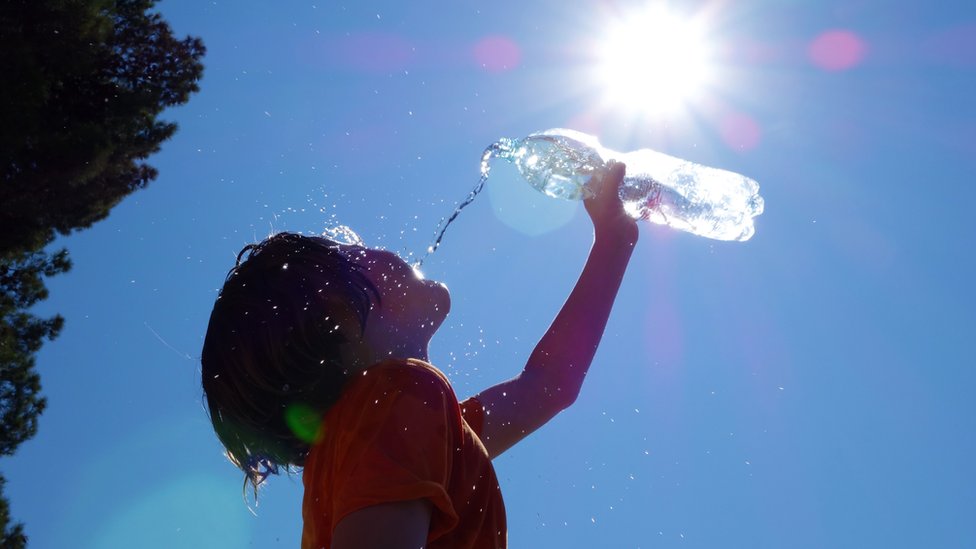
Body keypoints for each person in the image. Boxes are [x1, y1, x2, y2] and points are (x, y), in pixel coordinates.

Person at [201, 161, 637, 548]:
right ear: (339, 315)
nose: (376, 249)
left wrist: (614, 241)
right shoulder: (394, 401)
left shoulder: (396, 429)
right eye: (354, 254)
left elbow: (548, 386)